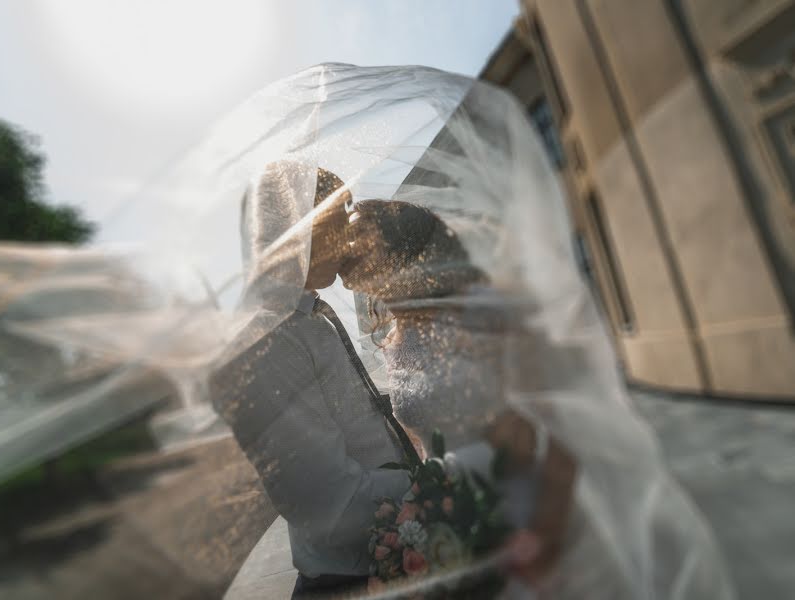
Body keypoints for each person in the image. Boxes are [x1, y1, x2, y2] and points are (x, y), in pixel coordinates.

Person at [340, 199, 733, 598]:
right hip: (456, 528)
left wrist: (543, 537)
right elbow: (427, 449)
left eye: (357, 245)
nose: (344, 256)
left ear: (399, 252)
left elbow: (565, 429)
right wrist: (424, 521)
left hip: (532, 517)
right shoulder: (393, 340)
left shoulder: (487, 314)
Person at [209, 161, 412, 598]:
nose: (351, 238)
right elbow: (330, 504)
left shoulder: (304, 315)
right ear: (297, 226)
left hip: (384, 562)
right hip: (354, 581)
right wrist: (432, 485)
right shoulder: (264, 338)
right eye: (339, 220)